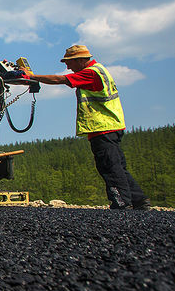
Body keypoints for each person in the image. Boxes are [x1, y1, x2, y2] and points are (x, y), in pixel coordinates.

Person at [28, 44, 150, 210]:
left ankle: (121, 203)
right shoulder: (100, 70)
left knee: (109, 166)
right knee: (118, 166)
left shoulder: (91, 73)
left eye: (69, 62)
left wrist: (32, 76)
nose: (67, 66)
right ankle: (139, 200)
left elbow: (61, 79)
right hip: (111, 126)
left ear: (79, 60)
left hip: (102, 128)